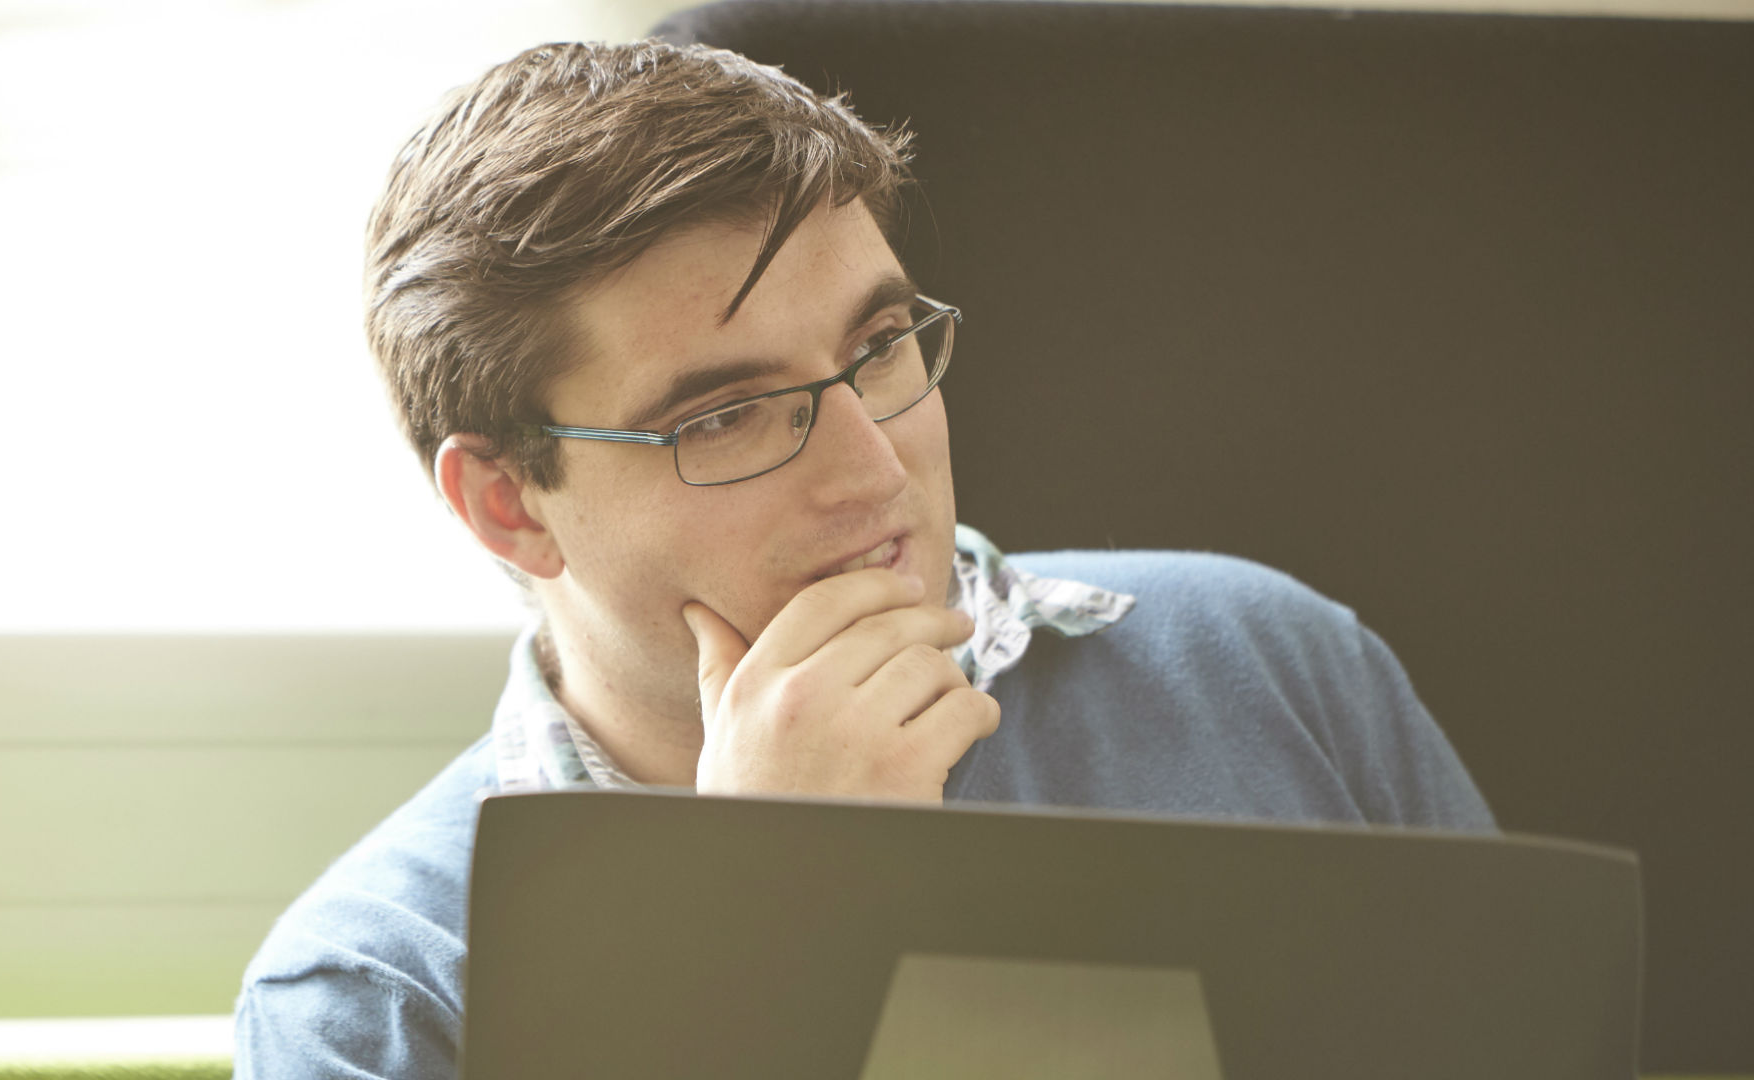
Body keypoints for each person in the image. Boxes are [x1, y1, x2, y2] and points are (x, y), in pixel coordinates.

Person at [233, 39, 1493, 1078]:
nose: (872, 470)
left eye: (878, 345)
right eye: (721, 414)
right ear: (509, 504)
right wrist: (776, 913)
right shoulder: (376, 994)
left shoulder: (1270, 668)